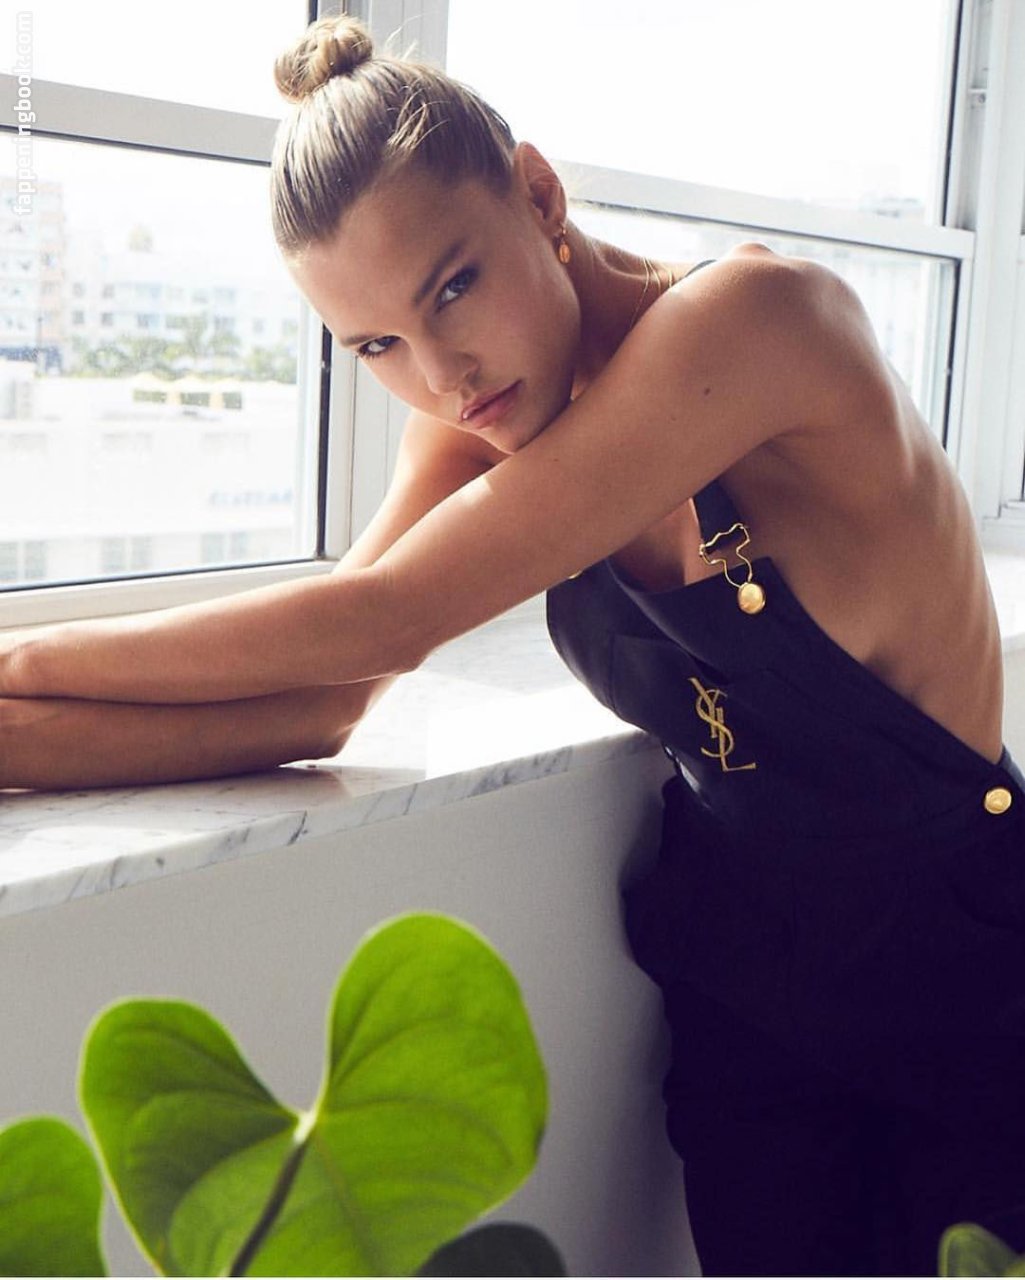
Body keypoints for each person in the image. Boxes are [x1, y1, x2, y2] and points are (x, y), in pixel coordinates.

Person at [2, 12, 1025, 1275]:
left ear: (538, 195)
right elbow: (326, 696)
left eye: (451, 286)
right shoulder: (484, 410)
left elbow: (386, 613)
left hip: (967, 978)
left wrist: (20, 660)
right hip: (747, 987)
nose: (439, 371)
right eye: (376, 344)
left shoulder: (757, 321)